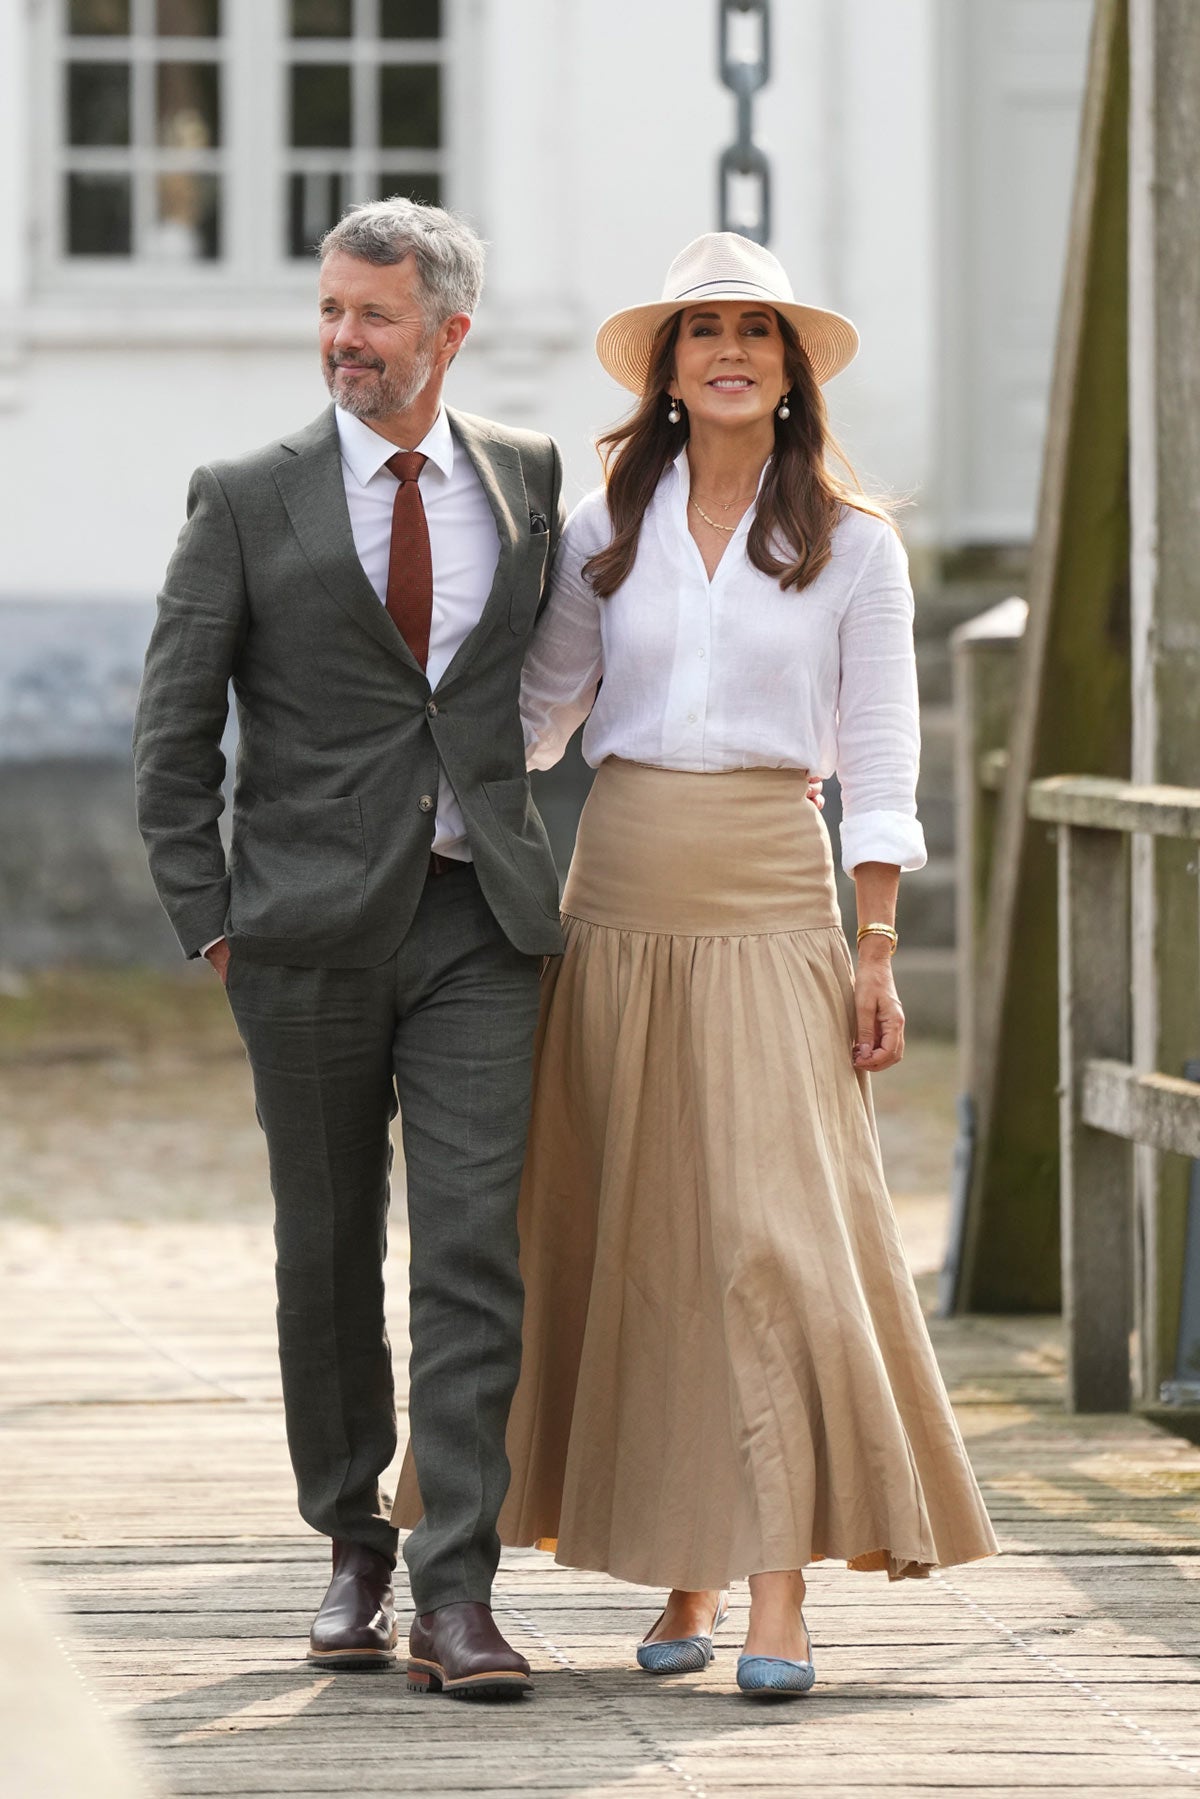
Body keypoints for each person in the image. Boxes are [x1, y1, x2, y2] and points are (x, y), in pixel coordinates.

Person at [398, 232, 999, 1697]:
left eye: (756, 329)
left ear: (791, 370)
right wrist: (413, 831)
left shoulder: (857, 543)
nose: (730, 349)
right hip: (618, 890)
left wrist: (875, 946)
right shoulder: (610, 518)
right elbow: (540, 710)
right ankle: (692, 1568)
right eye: (703, 328)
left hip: (776, 894)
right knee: (649, 1234)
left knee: (766, 1242)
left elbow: (881, 758)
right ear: (669, 368)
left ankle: (778, 1592)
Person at [133, 198, 566, 1700]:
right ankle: (350, 1542)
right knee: (324, 1247)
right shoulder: (247, 497)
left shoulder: (525, 476)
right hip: (300, 935)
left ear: (449, 332)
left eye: (375, 316)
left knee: (471, 1246)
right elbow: (173, 733)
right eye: (331, 310)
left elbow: (551, 679)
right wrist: (211, 921)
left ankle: (458, 1586)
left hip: (478, 924)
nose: (344, 339)